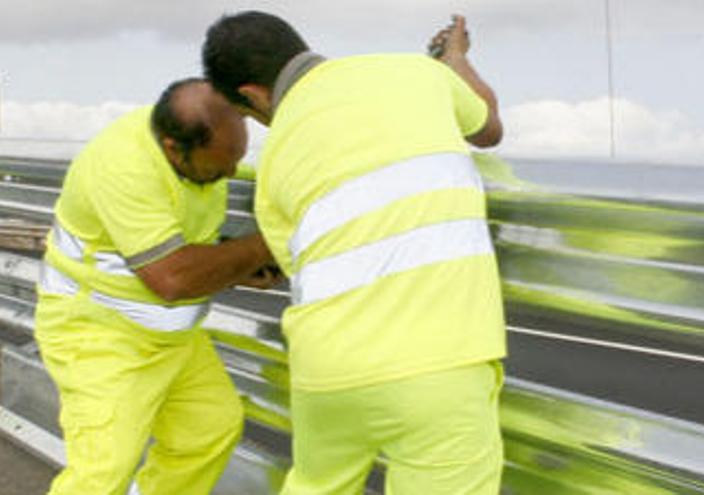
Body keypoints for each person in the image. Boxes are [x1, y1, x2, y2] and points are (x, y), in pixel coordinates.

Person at [203, 12, 507, 494]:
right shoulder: (419, 73)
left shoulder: (275, 159)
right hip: (439, 364)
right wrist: (455, 60)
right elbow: (488, 127)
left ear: (254, 96)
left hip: (325, 375)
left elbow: (293, 266)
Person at [35, 78, 276, 495]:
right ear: (172, 148)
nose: (231, 173)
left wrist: (233, 266)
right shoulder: (124, 165)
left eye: (236, 157)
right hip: (100, 333)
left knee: (208, 429)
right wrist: (265, 244)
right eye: (219, 167)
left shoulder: (203, 148)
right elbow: (172, 278)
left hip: (173, 337)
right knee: (102, 473)